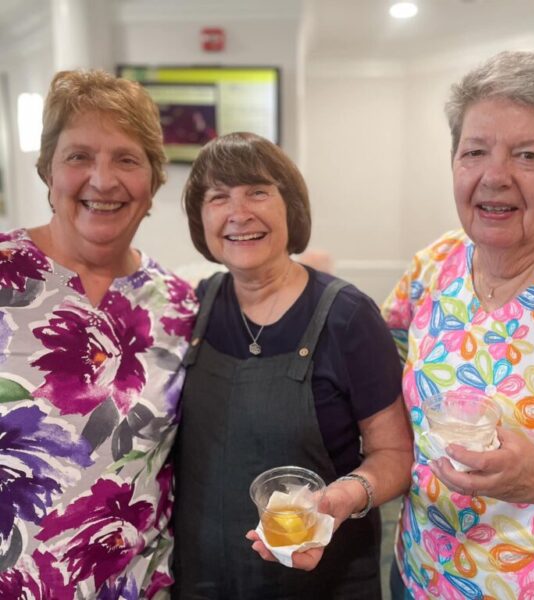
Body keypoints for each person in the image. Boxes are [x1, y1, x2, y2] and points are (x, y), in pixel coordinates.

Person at [382, 50, 534, 599]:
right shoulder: (434, 264)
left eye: (527, 155)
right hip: (420, 573)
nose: (494, 176)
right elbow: (379, 376)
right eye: (474, 151)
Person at [172, 131, 413, 599]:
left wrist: (342, 499)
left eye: (258, 192)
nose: (239, 213)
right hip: (204, 578)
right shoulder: (192, 308)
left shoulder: (348, 316)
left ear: (291, 208)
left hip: (323, 579)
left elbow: (396, 456)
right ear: (201, 219)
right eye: (218, 197)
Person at [0, 70, 198, 598]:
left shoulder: (178, 304)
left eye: (127, 159)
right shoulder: (4, 273)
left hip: (138, 587)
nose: (103, 180)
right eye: (79, 156)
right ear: (48, 171)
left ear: (154, 180)